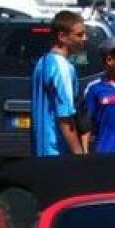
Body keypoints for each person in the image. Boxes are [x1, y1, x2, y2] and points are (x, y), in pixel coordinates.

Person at [31, 10, 86, 157]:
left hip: (40, 151)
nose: (85, 38)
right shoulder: (62, 68)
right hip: (58, 153)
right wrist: (79, 154)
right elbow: (65, 117)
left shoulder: (42, 63)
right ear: (62, 36)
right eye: (79, 35)